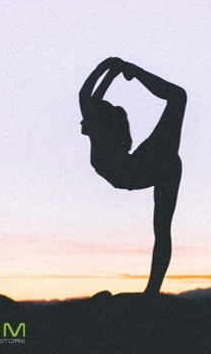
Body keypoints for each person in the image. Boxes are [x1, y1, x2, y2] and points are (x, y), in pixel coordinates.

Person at [79, 57, 186, 294]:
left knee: (178, 97)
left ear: (97, 121)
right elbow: (91, 100)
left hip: (141, 168)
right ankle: (152, 290)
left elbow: (86, 97)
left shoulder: (100, 135)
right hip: (146, 168)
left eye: (86, 118)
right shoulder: (101, 136)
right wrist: (114, 69)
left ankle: (152, 291)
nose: (81, 121)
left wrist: (109, 67)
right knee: (178, 97)